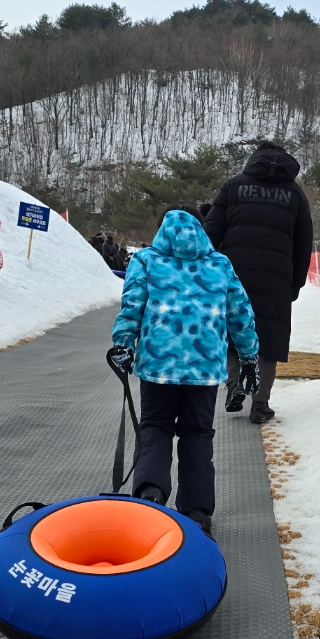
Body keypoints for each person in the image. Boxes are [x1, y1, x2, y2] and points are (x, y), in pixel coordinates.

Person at [108, 207, 259, 538]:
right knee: (197, 433)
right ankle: (196, 512)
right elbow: (240, 313)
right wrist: (249, 355)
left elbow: (131, 306)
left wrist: (124, 344)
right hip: (204, 371)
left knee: (155, 427)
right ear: (201, 230)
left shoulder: (146, 261)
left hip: (157, 367)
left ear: (161, 229)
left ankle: (150, 497)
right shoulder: (219, 265)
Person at [203, 139, 313, 424]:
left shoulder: (234, 186)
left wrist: (207, 273)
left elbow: (210, 232)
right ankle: (260, 403)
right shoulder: (295, 195)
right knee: (269, 339)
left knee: (231, 333)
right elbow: (303, 244)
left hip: (233, 274)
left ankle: (233, 385)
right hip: (276, 278)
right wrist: (295, 284)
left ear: (255, 158)